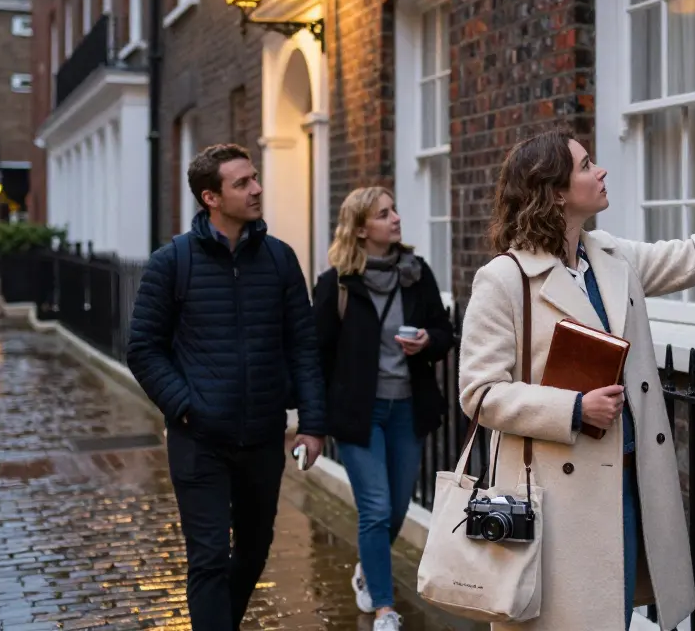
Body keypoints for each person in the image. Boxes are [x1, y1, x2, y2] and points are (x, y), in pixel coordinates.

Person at [458, 129, 695, 630]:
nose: (600, 171)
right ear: (555, 190)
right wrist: (574, 410)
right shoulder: (504, 279)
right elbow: (479, 393)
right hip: (555, 498)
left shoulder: (610, 256)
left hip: (625, 479)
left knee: (613, 615)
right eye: (586, 166)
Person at [126, 143, 326, 631]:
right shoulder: (172, 262)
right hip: (200, 441)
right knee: (210, 557)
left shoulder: (280, 259)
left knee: (254, 551)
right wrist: (185, 406)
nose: (257, 189)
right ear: (210, 197)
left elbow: (303, 344)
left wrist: (314, 424)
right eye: (242, 183)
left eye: (255, 178)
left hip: (262, 436)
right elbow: (143, 348)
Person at [312, 187, 454, 631]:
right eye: (383, 213)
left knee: (395, 511)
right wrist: (314, 420)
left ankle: (367, 570)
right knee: (374, 510)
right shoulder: (335, 283)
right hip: (360, 414)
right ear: (359, 228)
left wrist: (428, 341)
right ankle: (384, 608)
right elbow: (317, 355)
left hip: (406, 410)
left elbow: (445, 331)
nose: (395, 219)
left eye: (394, 210)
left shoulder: (416, 273)